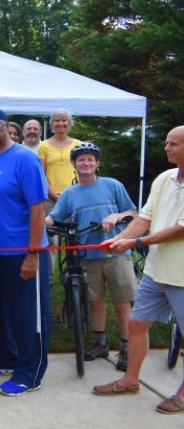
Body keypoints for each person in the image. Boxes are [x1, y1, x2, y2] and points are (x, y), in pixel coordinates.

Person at [93, 126, 184, 415]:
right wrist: (119, 240)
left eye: (174, 144)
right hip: (157, 273)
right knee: (137, 324)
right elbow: (145, 218)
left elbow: (180, 229)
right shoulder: (165, 178)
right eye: (167, 143)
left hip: (182, 278)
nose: (166, 148)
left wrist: (135, 241)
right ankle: (131, 379)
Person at [0, 107, 50, 396]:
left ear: (6, 126)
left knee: (25, 314)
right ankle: (4, 356)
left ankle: (30, 372)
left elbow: (38, 207)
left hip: (20, 251)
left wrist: (32, 253)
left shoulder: (24, 158)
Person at [46, 142, 137, 370]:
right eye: (81, 160)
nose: (85, 163)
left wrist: (117, 215)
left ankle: (127, 348)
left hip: (116, 252)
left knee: (122, 302)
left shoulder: (112, 185)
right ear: (74, 164)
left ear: (97, 163)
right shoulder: (69, 193)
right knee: (95, 301)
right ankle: (100, 343)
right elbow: (55, 217)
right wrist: (38, 220)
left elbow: (133, 212)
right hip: (87, 254)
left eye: (90, 159)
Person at [38, 109, 81, 202]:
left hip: (75, 196)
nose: (60, 123)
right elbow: (41, 175)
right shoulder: (43, 146)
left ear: (69, 123)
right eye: (57, 120)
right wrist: (54, 196)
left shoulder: (78, 145)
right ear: (52, 123)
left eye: (64, 120)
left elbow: (82, 171)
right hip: (51, 198)